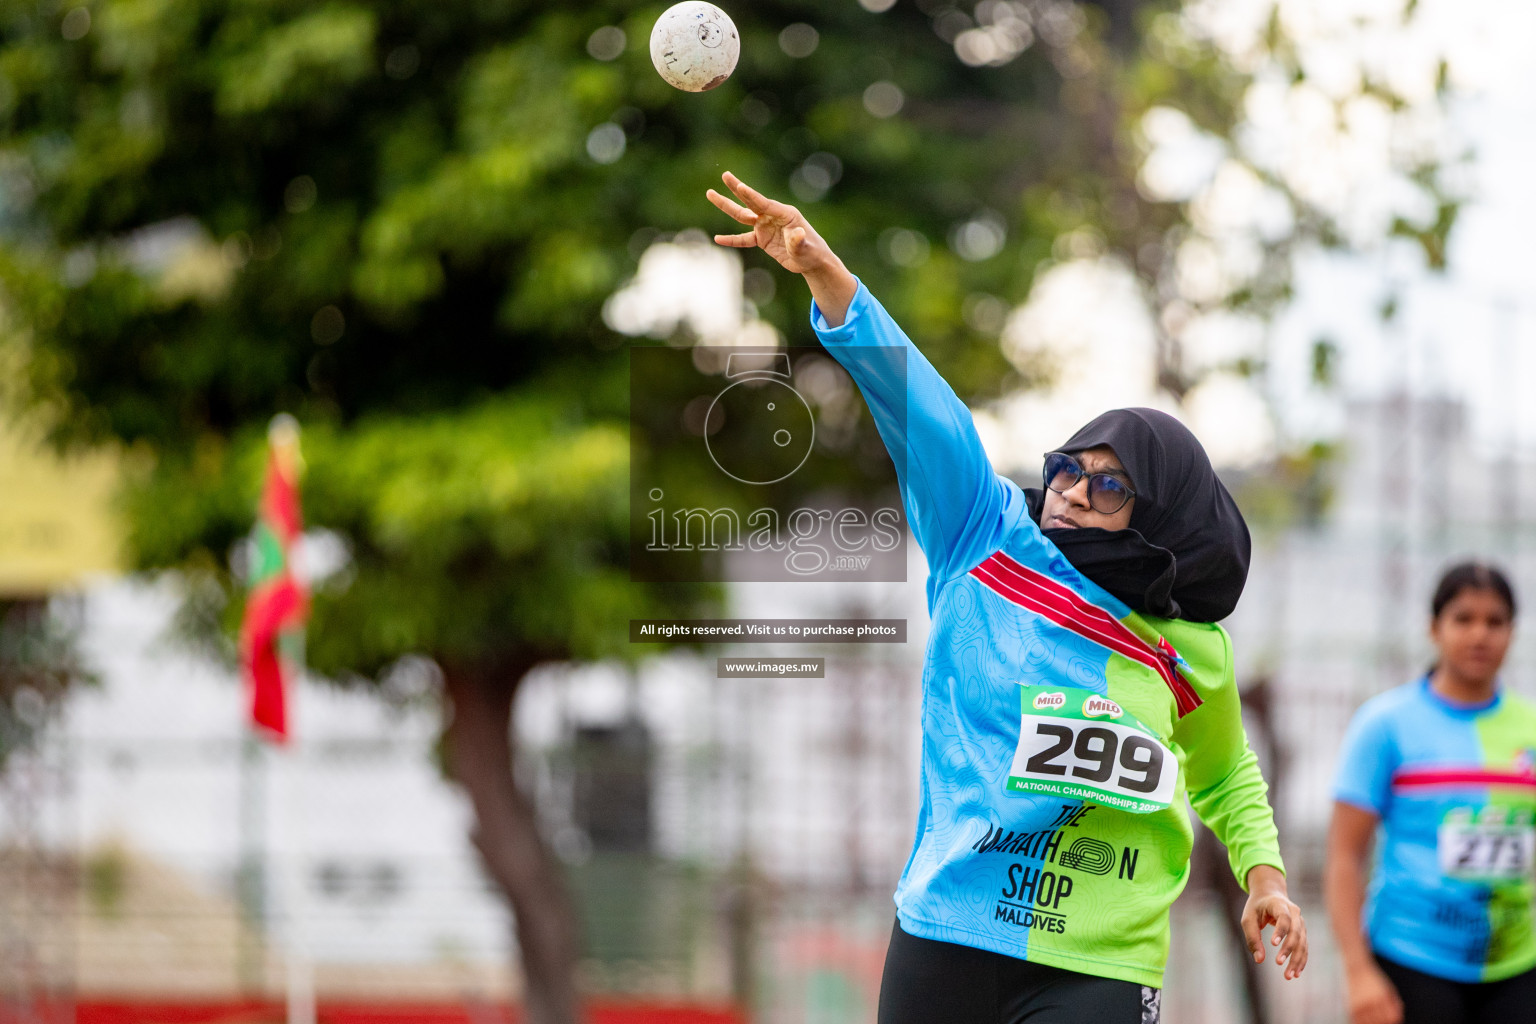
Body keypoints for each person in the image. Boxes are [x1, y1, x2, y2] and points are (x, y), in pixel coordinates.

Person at [705, 172, 1306, 1024]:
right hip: (948, 936)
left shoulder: (1190, 648)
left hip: (1099, 964)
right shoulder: (982, 538)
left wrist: (1265, 879)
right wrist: (830, 281)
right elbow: (928, 412)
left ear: (1161, 517)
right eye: (1067, 468)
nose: (1067, 492)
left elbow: (1224, 772)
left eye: (1106, 487)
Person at [1326, 562, 1536, 1024]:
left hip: (1519, 966)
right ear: (1434, 628)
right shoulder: (1384, 725)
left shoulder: (1530, 727)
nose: (1480, 634)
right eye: (1464, 618)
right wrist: (1359, 972)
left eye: (1495, 621)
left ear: (1512, 633)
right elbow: (1344, 857)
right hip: (1411, 961)